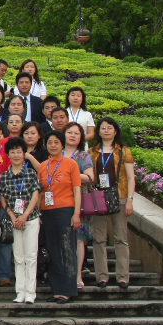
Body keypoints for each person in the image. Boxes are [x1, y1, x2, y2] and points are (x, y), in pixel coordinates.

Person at [89, 117, 135, 290]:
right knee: (99, 238)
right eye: (103, 128)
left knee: (121, 238)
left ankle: (123, 277)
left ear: (115, 131)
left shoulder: (124, 151)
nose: (106, 131)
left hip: (120, 195)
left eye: (110, 128)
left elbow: (130, 177)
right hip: (99, 197)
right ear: (98, 131)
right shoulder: (93, 152)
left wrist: (130, 199)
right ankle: (102, 276)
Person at [38, 130, 82, 303]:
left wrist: (76, 213)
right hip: (47, 211)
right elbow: (40, 191)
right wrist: (38, 212)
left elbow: (77, 190)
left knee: (67, 248)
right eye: (50, 142)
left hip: (65, 210)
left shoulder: (71, 164)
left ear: (62, 145)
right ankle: (57, 290)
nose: (53, 145)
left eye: (56, 142)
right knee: (52, 250)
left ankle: (68, 289)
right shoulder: (43, 166)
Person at [0, 137, 42, 304]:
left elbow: (35, 196)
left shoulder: (31, 174)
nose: (16, 155)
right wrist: (13, 216)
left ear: (24, 154)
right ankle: (20, 292)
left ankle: (31, 292)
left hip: (30, 219)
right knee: (18, 257)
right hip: (14, 221)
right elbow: (3, 199)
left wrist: (24, 216)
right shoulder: (4, 176)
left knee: (31, 256)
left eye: (19, 151)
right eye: (13, 152)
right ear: (8, 155)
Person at [62, 121, 95, 290]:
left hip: (79, 203)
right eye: (70, 132)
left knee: (79, 240)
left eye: (76, 133)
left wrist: (70, 173)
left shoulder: (83, 156)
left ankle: (78, 274)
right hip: (59, 201)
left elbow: (90, 178)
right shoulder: (57, 153)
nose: (72, 136)